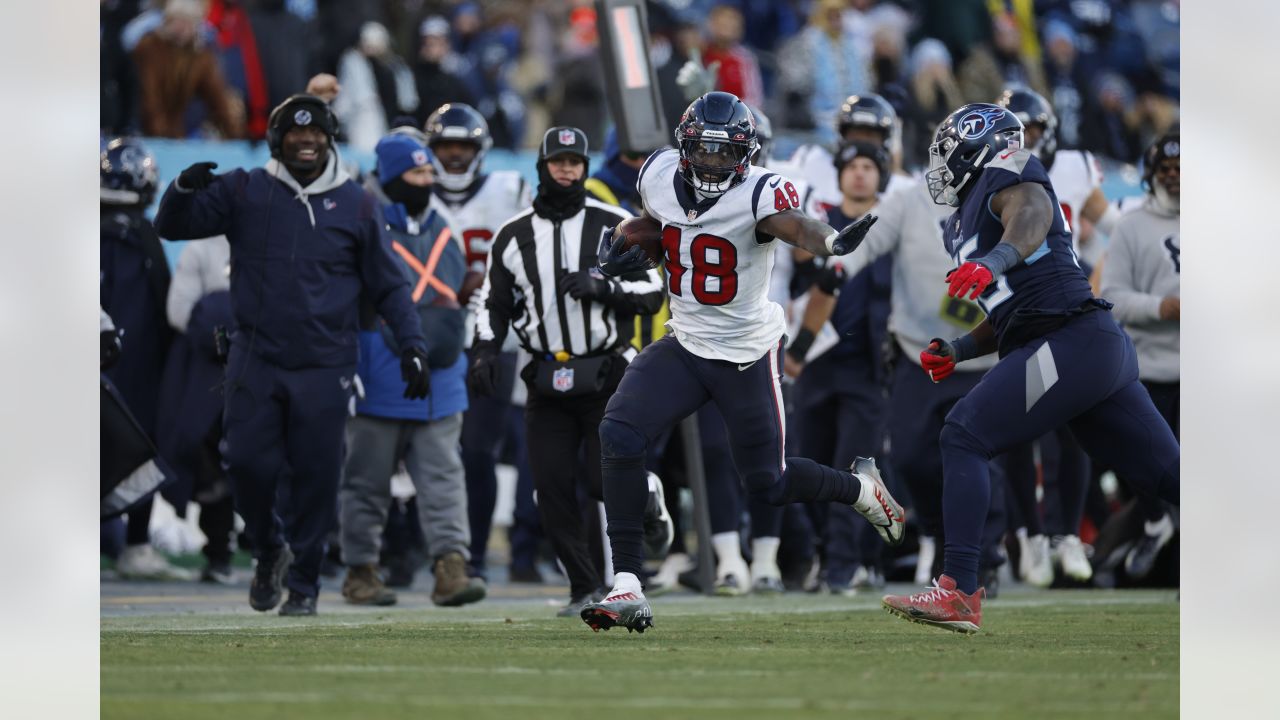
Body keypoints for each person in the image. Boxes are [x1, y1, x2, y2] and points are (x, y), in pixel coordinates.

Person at [581, 91, 906, 633]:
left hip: (745, 353)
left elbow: (795, 226)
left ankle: (861, 491)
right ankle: (628, 584)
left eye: (724, 154)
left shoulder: (760, 192)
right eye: (703, 152)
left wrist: (828, 241)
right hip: (684, 341)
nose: (712, 163)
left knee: (768, 483)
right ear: (683, 148)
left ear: (747, 154)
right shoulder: (658, 173)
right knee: (618, 434)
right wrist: (625, 243)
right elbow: (656, 228)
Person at [880, 103, 1180, 633]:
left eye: (947, 149)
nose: (941, 162)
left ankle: (959, 592)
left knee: (964, 435)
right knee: (1168, 477)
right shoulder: (961, 219)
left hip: (1072, 338)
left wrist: (992, 260)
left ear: (976, 142)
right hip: (1081, 345)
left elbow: (1032, 215)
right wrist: (959, 349)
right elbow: (1011, 313)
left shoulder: (1011, 171)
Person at [153, 94, 431, 617]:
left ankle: (304, 583)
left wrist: (412, 345)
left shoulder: (358, 203)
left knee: (317, 476)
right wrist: (180, 188)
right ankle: (268, 548)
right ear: (277, 139)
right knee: (247, 465)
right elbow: (172, 226)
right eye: (295, 133)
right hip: (255, 357)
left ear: (330, 139)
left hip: (326, 365)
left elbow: (390, 286)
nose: (306, 141)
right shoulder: (245, 189)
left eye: (317, 133)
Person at [470, 127, 664, 616]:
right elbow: (492, 302)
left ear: (585, 166)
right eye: (558, 161)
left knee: (603, 482)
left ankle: (649, 496)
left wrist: (602, 289)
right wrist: (486, 349)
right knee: (550, 487)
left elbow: (653, 292)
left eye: (575, 161)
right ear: (542, 166)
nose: (567, 169)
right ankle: (584, 587)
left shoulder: (615, 223)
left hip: (605, 372)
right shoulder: (513, 234)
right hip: (543, 374)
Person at [339, 132, 485, 608]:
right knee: (367, 478)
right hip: (380, 366)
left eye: (428, 172)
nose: (427, 180)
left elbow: (451, 293)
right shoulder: (363, 220)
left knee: (445, 476)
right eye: (416, 173)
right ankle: (361, 569)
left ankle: (451, 566)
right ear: (390, 176)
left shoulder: (440, 222)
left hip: (440, 371)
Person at [423, 102, 532, 581]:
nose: (453, 155)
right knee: (418, 449)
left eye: (462, 146)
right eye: (445, 145)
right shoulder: (412, 192)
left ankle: (477, 556)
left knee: (477, 451)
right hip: (427, 335)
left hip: (492, 337)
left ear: (480, 150)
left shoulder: (510, 191)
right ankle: (411, 551)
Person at [783, 141, 895, 594]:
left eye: (869, 166)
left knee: (855, 468)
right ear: (839, 173)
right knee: (808, 464)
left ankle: (843, 566)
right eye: (852, 166)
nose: (860, 175)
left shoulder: (893, 222)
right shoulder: (819, 220)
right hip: (816, 362)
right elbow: (797, 267)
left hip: (869, 367)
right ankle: (822, 555)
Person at [100, 137, 189, 581]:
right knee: (137, 450)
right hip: (134, 365)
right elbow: (164, 311)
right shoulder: (141, 236)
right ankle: (133, 546)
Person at [1099, 131, 1179, 579]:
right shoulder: (1130, 225)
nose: (1173, 178)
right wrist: (1161, 307)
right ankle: (1152, 525)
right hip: (1148, 368)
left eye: (1181, 169)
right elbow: (1112, 297)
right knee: (1147, 469)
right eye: (1165, 170)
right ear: (1150, 175)